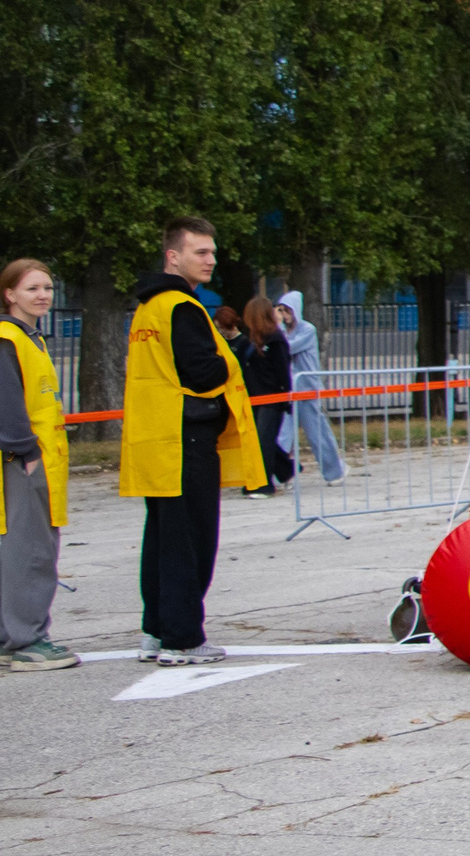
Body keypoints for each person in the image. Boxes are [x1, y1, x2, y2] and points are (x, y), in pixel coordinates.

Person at [121, 219, 261, 665]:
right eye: (200, 252)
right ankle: (183, 638)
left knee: (162, 539)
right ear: (173, 256)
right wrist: (225, 358)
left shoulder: (147, 309)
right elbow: (201, 371)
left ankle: (157, 630)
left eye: (212, 252)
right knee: (191, 539)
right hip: (186, 437)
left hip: (157, 436)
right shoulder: (181, 307)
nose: (211, 260)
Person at [0, 259, 75, 670]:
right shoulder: (8, 338)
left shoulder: (30, 338)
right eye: (32, 288)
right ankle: (28, 639)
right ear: (10, 294)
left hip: (31, 458)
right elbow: (6, 400)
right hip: (22, 461)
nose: (43, 294)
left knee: (18, 547)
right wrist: (25, 452)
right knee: (30, 550)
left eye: (47, 287)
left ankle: (8, 637)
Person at [271, 292, 345, 484]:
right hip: (289, 390)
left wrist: (277, 326)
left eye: (287, 310)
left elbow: (285, 348)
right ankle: (278, 475)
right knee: (282, 433)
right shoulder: (283, 332)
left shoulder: (307, 329)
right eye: (281, 310)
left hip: (307, 389)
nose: (284, 315)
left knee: (317, 433)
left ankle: (334, 472)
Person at [239, 296, 295, 495]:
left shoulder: (276, 339)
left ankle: (263, 484)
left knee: (263, 440)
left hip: (272, 398)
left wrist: (285, 398)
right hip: (255, 397)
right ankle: (287, 470)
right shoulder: (252, 340)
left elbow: (283, 370)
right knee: (261, 439)